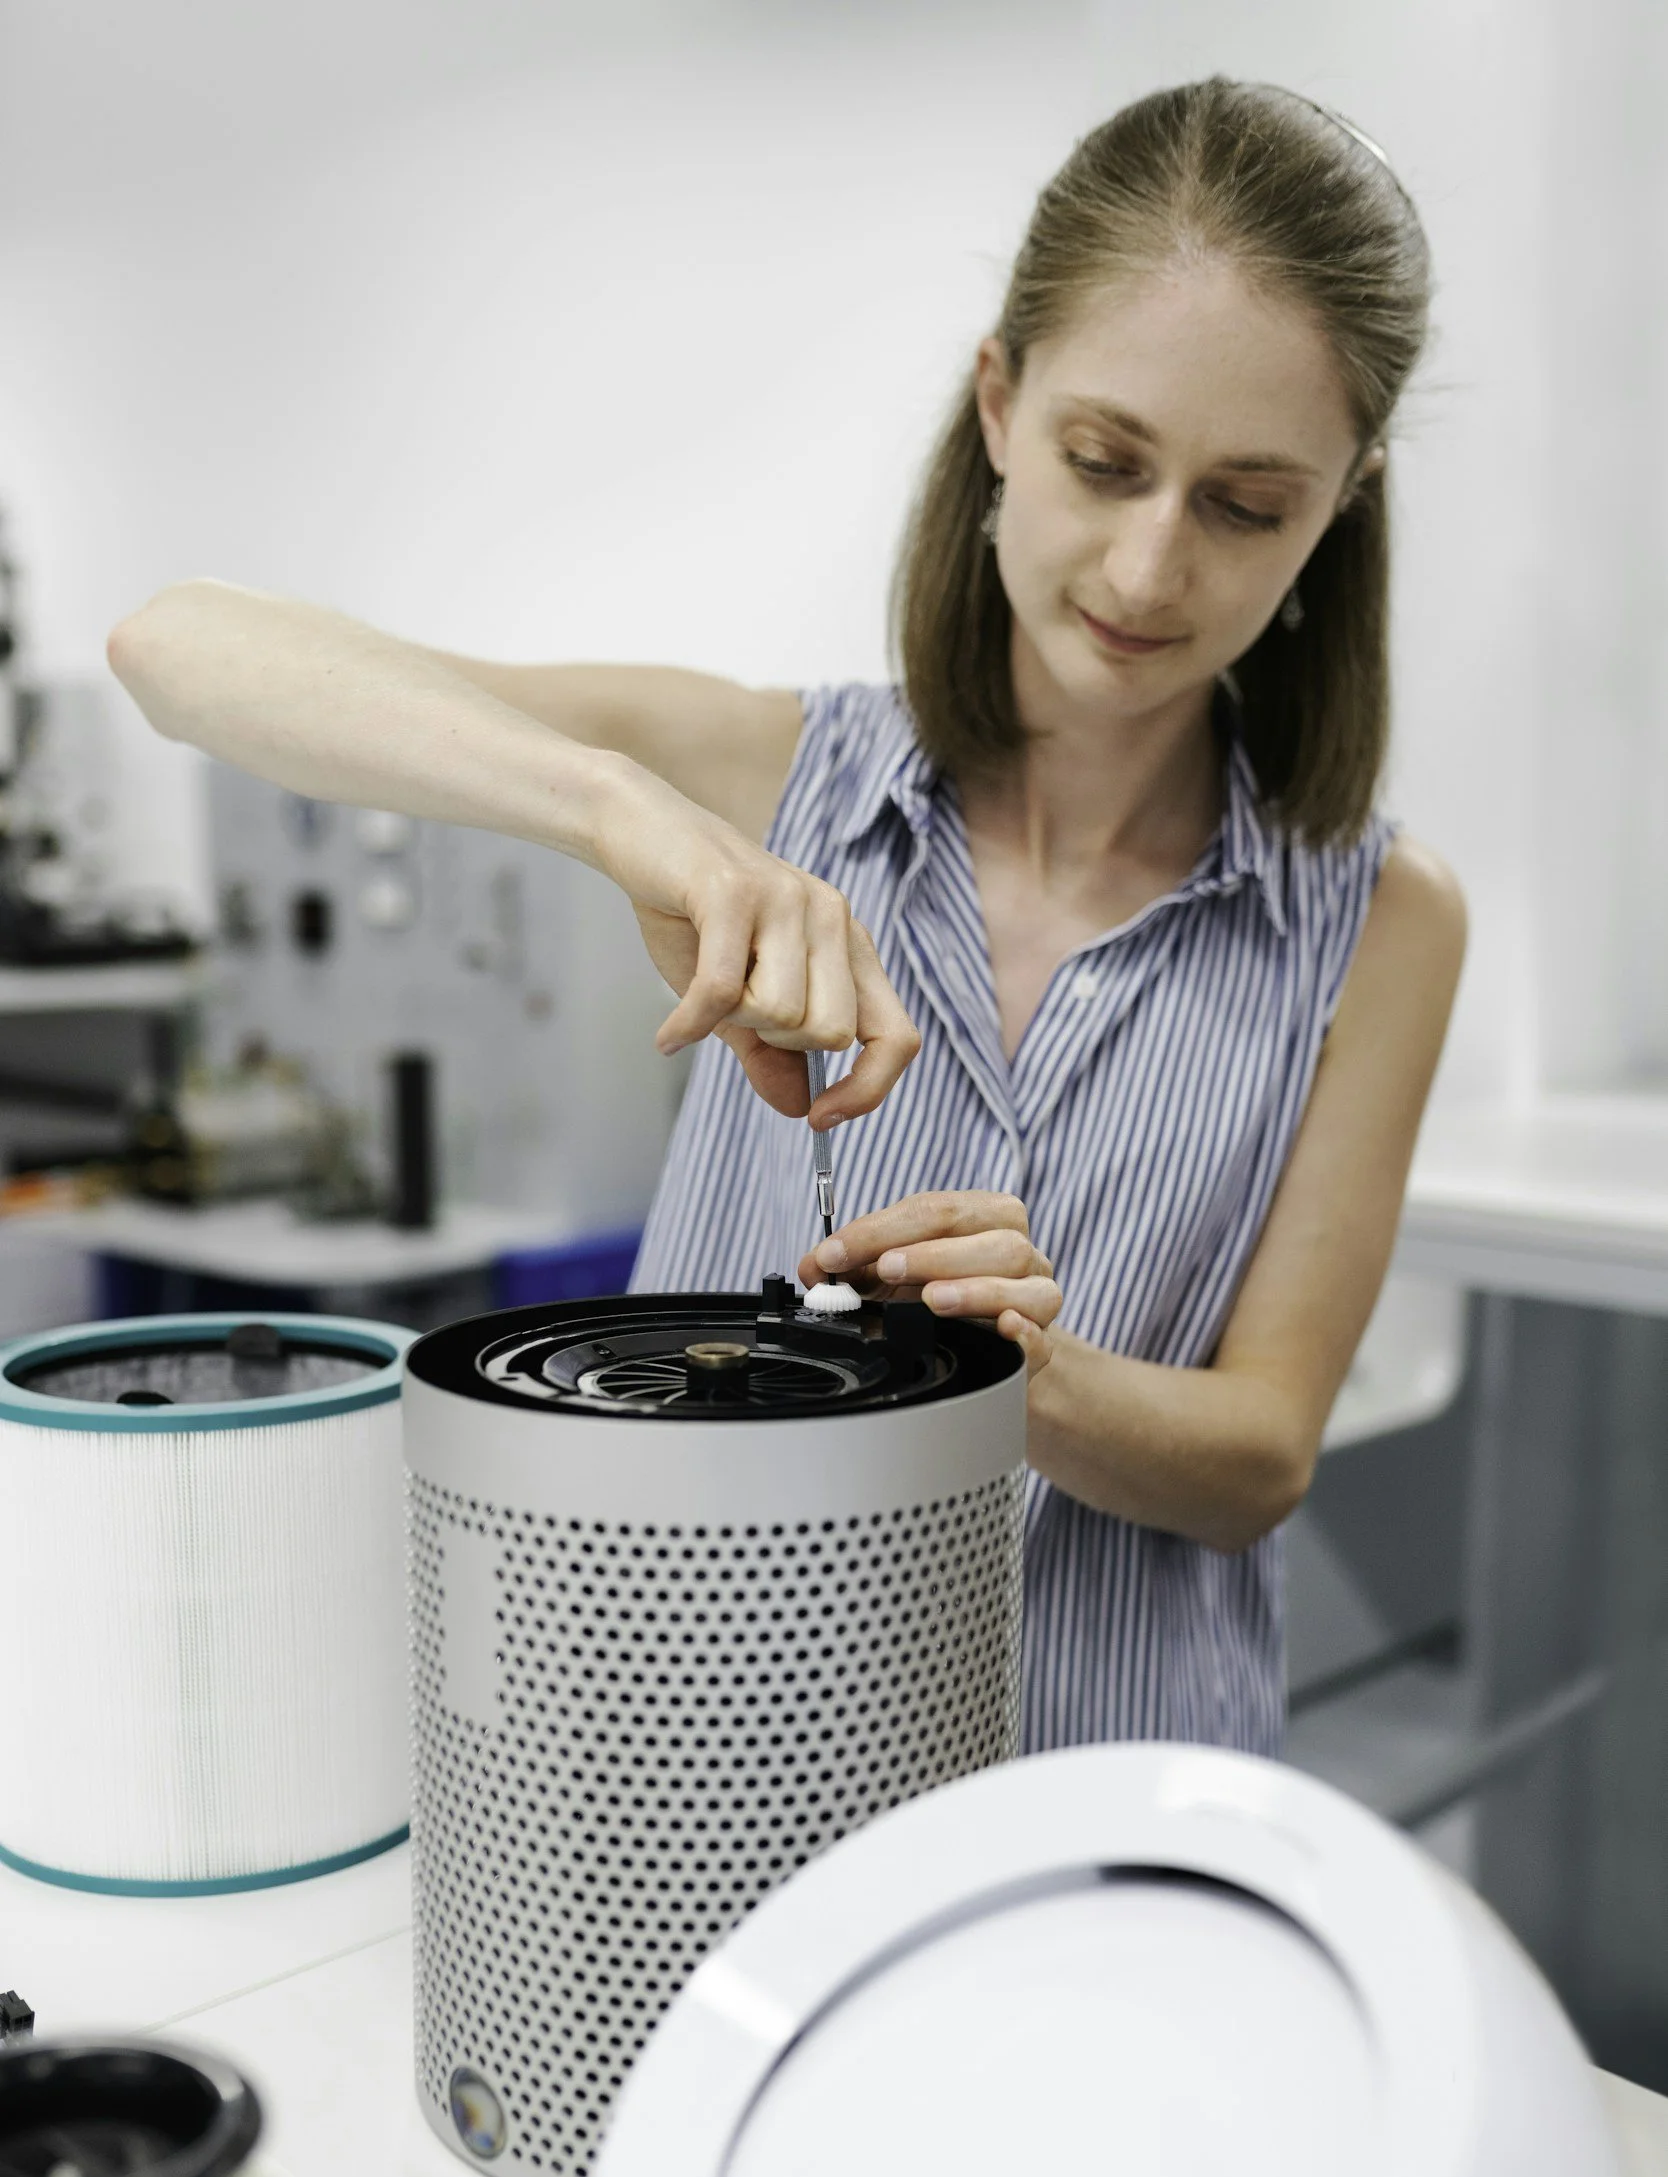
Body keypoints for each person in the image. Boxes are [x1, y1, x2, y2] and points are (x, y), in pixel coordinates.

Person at [109, 77, 1464, 1759]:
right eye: (1102, 462)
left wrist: (1018, 1375)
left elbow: (1259, 1461)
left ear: (1342, 507)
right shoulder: (768, 767)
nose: (1141, 569)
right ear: (998, 401)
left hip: (1098, 1815)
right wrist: (621, 811)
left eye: (1247, 505)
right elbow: (178, 649)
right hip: (687, 1770)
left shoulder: (1381, 917)